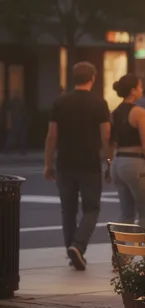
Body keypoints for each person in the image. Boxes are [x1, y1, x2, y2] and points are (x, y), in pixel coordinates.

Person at [44, 62, 111, 271]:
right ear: (93, 78)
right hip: (89, 163)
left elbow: (52, 135)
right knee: (91, 208)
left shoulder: (60, 103)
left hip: (65, 163)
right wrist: (108, 161)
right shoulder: (99, 103)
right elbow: (106, 136)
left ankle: (71, 250)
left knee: (68, 210)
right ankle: (78, 246)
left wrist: (48, 164)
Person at [109, 74, 145, 235]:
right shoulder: (139, 112)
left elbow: (110, 141)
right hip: (135, 163)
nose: (141, 90)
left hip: (118, 162)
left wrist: (109, 163)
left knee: (126, 212)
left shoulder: (115, 112)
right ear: (133, 91)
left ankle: (120, 252)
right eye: (139, 87)